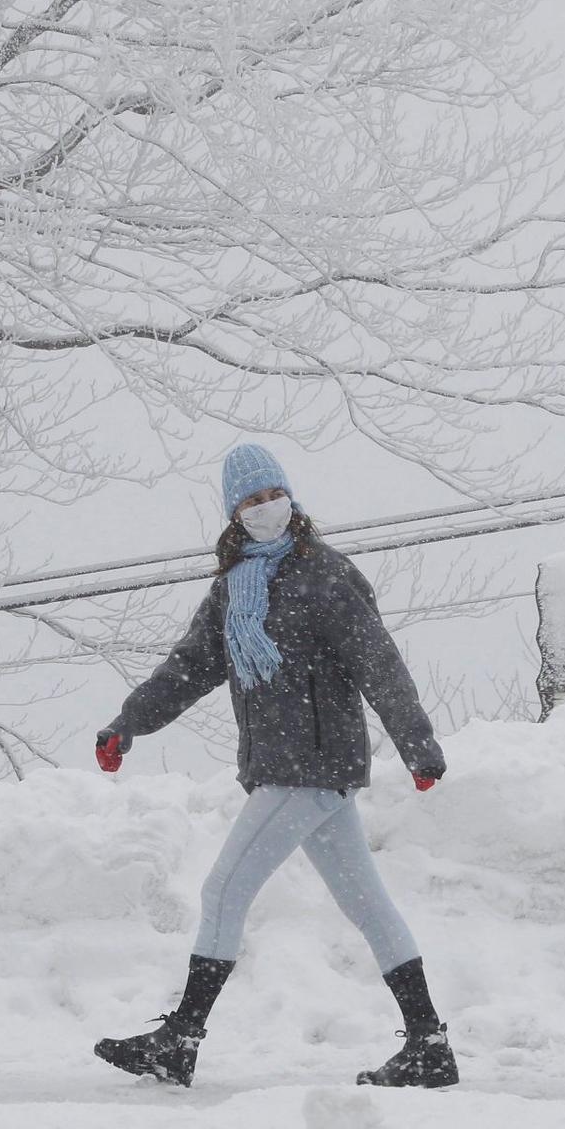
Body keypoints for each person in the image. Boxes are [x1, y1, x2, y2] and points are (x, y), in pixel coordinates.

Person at [92, 442, 455, 1090]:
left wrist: (418, 744)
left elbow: (380, 662)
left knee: (223, 889)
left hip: (311, 766)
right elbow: (187, 669)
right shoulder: (234, 591)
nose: (266, 507)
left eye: (272, 494)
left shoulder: (328, 575)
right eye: (251, 500)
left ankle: (180, 1039)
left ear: (289, 497)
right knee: (367, 904)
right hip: (284, 768)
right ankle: (429, 1044)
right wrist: (128, 723)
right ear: (235, 513)